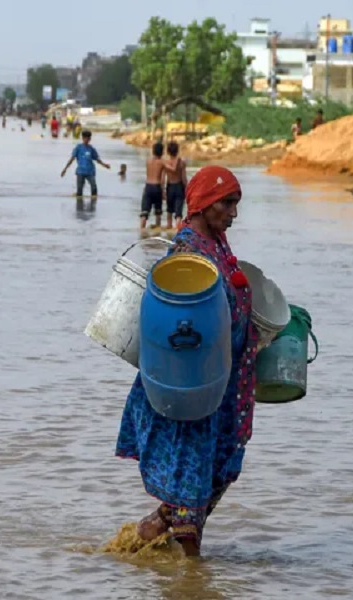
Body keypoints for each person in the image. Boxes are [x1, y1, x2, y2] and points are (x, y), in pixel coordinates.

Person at [117, 165, 257, 558]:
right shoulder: (187, 252)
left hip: (223, 385)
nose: (233, 213)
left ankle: (140, 546)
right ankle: (191, 578)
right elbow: (184, 325)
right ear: (205, 203)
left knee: (211, 478)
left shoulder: (217, 245)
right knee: (189, 490)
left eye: (236, 204)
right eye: (227, 203)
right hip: (193, 391)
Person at [61, 130, 110, 198]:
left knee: (94, 187)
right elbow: (72, 159)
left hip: (90, 171)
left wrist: (105, 165)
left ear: (90, 139)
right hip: (80, 171)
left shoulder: (91, 149)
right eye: (85, 138)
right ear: (82, 138)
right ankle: (79, 206)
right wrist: (65, 169)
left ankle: (93, 203)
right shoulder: (78, 148)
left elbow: (97, 159)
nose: (86, 140)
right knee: (79, 192)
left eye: (88, 138)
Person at [140, 142, 167, 229]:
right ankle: (157, 231)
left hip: (148, 186)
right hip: (157, 187)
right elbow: (162, 179)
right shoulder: (162, 163)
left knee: (144, 212)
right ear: (162, 152)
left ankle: (142, 230)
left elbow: (147, 175)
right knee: (158, 212)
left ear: (153, 151)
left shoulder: (148, 161)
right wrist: (163, 191)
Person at [163, 141, 187, 229]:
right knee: (178, 212)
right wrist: (187, 188)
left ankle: (169, 225)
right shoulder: (181, 163)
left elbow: (163, 178)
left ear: (168, 151)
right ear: (177, 151)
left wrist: (163, 190)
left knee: (169, 210)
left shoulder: (166, 163)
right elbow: (184, 178)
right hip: (179, 186)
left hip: (170, 186)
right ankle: (178, 228)